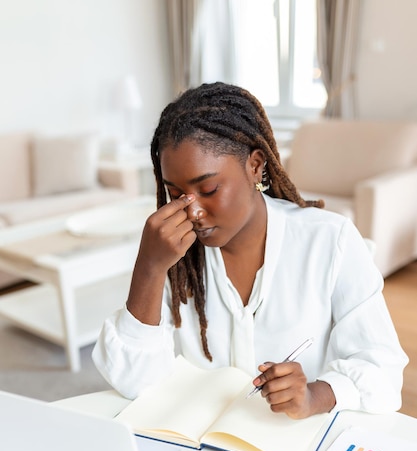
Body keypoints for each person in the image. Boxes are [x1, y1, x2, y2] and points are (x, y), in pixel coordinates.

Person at [92, 81, 408, 419]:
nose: (191, 212)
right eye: (175, 193)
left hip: (295, 446)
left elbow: (383, 371)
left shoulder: (331, 240)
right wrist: (149, 269)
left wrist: (315, 396)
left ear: (255, 166)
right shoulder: (174, 253)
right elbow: (132, 382)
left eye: (209, 188)